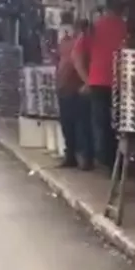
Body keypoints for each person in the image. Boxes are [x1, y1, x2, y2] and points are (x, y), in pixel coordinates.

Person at [72, 0, 127, 169]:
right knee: (120, 124)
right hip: (122, 84)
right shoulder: (126, 27)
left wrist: (87, 79)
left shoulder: (93, 28)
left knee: (101, 123)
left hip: (98, 83)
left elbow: (76, 56)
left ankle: (105, 159)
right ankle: (115, 161)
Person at [55, 19, 94, 170]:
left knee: (80, 125)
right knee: (71, 125)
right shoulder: (70, 43)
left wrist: (87, 82)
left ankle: (83, 157)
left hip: (76, 88)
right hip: (67, 88)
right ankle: (73, 156)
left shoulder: (83, 44)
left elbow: (77, 63)